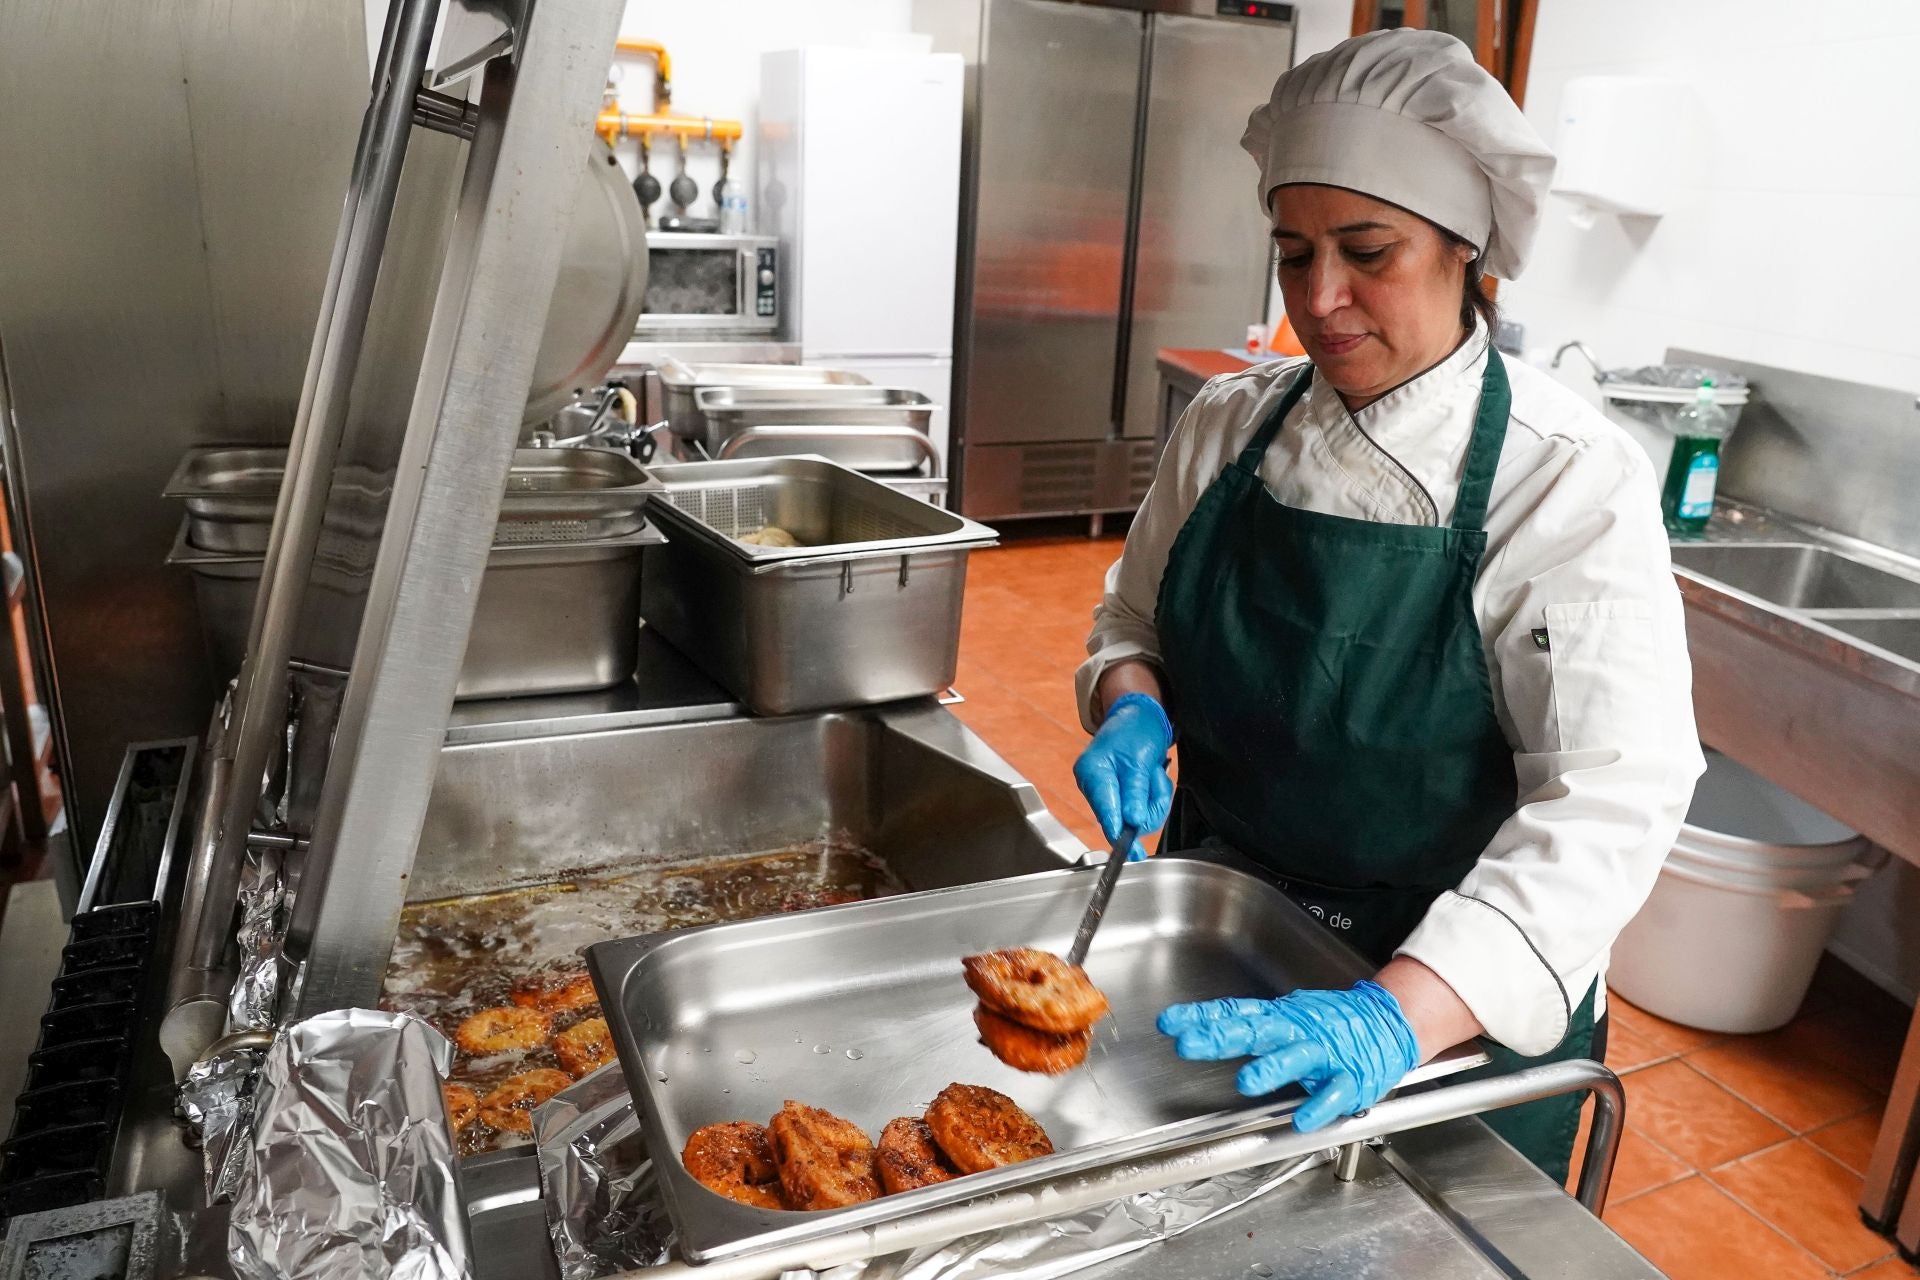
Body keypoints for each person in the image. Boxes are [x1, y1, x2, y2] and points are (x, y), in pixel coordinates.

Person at [1070, 28, 1704, 1182]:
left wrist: (1396, 1015)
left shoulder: (1564, 477)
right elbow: (1133, 619)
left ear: (1466, 248)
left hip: (1444, 1005)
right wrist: (1130, 698)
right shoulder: (1229, 426)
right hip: (1222, 955)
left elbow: (1614, 799)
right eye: (1293, 249)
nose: (1321, 298)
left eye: (1369, 250)